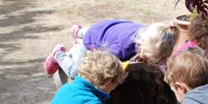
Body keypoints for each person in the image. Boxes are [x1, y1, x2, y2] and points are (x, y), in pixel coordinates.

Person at [44, 20, 179, 78]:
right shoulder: (122, 48)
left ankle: (79, 31)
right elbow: (102, 64)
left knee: (95, 32)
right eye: (145, 55)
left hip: (106, 28)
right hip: (94, 41)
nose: (144, 58)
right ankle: (58, 54)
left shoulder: (152, 35)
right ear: (141, 43)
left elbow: (161, 65)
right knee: (76, 73)